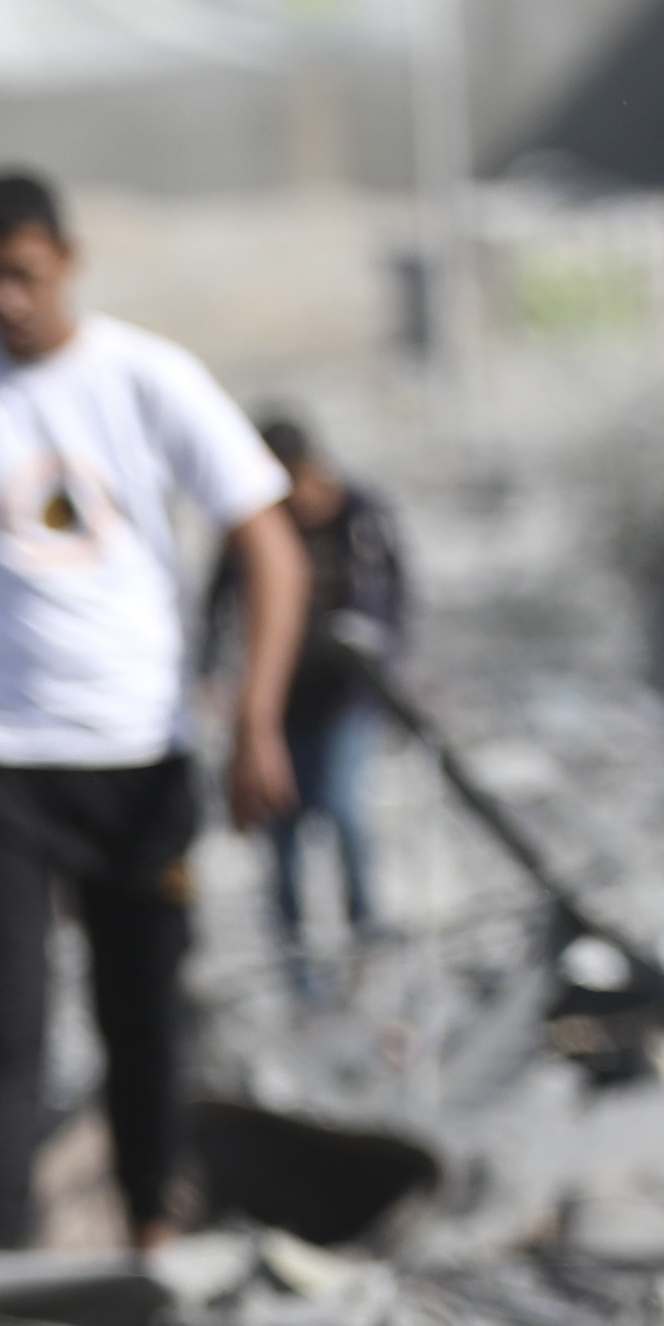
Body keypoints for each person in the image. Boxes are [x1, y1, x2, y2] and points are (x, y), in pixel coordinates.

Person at [0, 169, 304, 1253]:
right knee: (6, 1018)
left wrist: (256, 714)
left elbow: (271, 546)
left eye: (22, 274)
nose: (6, 299)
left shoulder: (148, 378)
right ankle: (0, 1249)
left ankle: (153, 1219)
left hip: (136, 749)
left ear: (65, 262)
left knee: (145, 1009)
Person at [225, 412, 410, 990]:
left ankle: (365, 944)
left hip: (346, 698)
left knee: (343, 811)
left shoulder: (360, 514)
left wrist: (377, 651)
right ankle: (298, 970)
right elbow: (221, 594)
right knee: (282, 832)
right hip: (280, 701)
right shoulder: (255, 523)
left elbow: (394, 598)